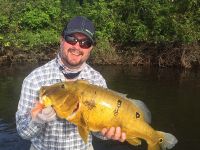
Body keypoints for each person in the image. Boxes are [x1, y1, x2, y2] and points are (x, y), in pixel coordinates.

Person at [16, 16, 126, 150]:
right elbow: (23, 132)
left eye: (85, 43)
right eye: (71, 39)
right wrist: (37, 120)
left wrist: (108, 133)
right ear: (61, 39)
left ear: (90, 48)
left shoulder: (97, 80)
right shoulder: (35, 79)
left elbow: (98, 132)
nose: (77, 46)